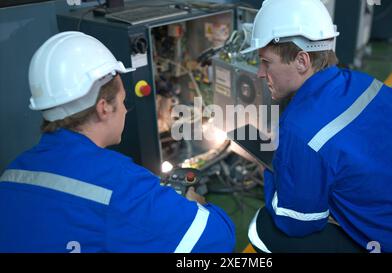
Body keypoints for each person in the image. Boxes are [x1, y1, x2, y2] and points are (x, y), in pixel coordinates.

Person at [242, 0, 392, 253]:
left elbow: (296, 224)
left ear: (301, 60)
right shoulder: (376, 87)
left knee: (263, 227)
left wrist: (275, 170)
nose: (260, 73)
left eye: (266, 62)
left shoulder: (301, 130)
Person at [0, 31, 235, 253]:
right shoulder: (121, 184)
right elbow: (219, 239)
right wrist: (196, 204)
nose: (125, 109)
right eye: (123, 100)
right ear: (104, 107)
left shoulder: (12, 173)